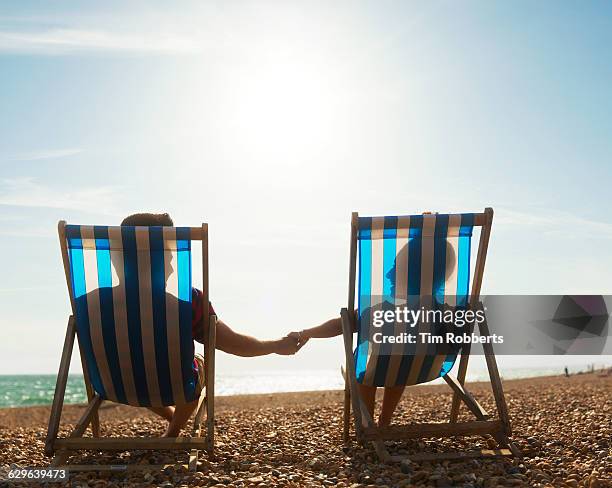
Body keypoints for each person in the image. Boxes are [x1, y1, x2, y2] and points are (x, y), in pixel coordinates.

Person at [121, 213, 301, 436]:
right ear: (156, 260)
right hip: (175, 386)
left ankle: (171, 418)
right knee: (197, 365)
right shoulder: (188, 303)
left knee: (138, 365)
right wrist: (276, 345)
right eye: (167, 258)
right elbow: (233, 344)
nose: (172, 268)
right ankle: (173, 431)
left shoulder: (90, 304)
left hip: (118, 386)